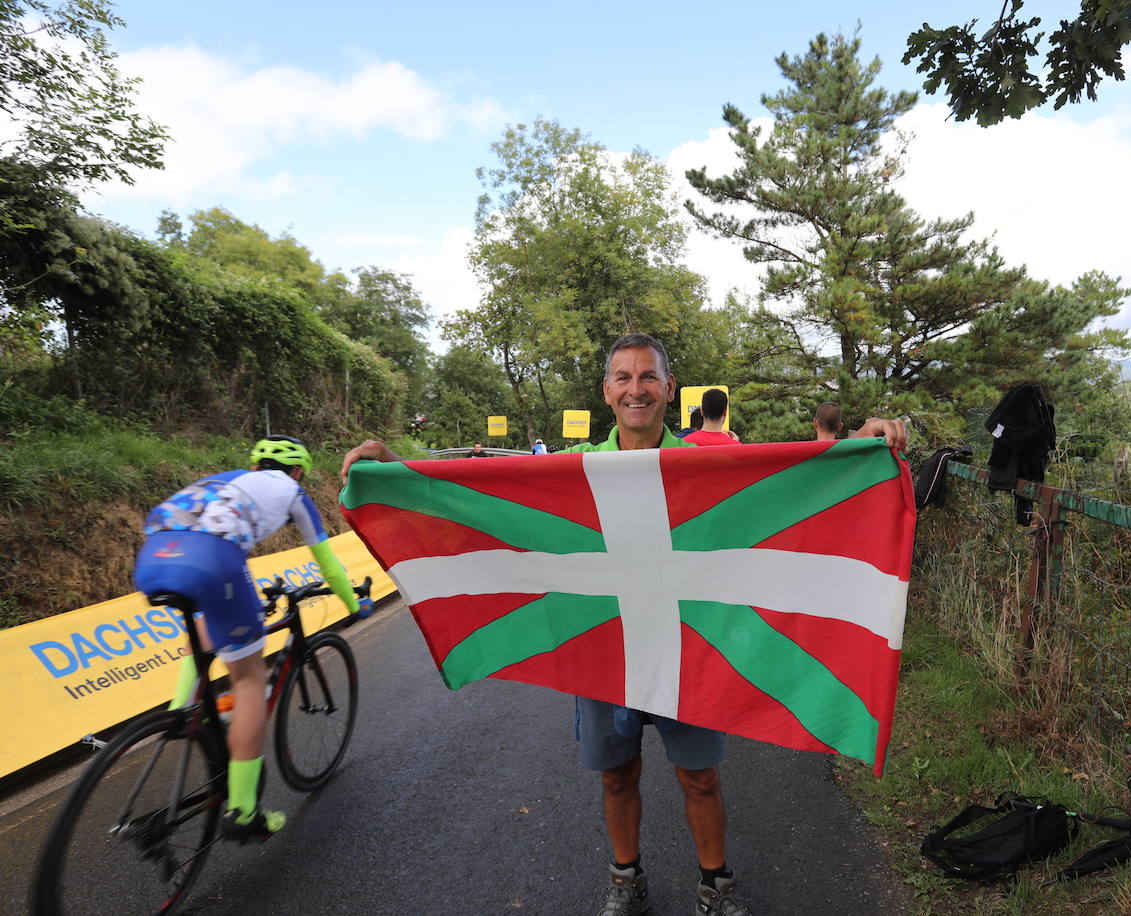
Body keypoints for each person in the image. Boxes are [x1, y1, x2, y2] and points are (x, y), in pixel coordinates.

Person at [341, 334, 906, 916]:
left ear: (669, 388)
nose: (637, 389)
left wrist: (859, 449)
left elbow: (788, 488)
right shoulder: (575, 472)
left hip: (690, 653)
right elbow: (480, 501)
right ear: (607, 391)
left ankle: (715, 888)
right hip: (606, 653)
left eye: (648, 377)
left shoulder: (705, 467)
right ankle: (625, 882)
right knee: (616, 777)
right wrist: (396, 471)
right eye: (624, 377)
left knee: (702, 779)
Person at [133, 436, 371, 843]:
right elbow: (329, 566)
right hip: (214, 558)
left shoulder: (226, 479)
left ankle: (183, 713)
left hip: (156, 554)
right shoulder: (294, 491)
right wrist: (354, 604)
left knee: (206, 628)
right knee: (248, 680)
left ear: (256, 465)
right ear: (298, 471)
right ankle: (244, 812)